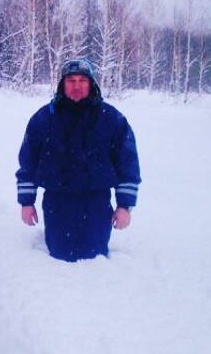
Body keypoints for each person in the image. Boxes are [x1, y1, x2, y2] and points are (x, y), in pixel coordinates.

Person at [16, 59, 141, 262]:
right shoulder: (43, 119)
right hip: (57, 204)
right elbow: (27, 164)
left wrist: (124, 206)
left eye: (82, 80)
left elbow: (128, 165)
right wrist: (26, 203)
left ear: (91, 84)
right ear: (62, 84)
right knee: (57, 259)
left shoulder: (111, 119)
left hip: (96, 205)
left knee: (95, 261)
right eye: (71, 80)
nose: (76, 86)